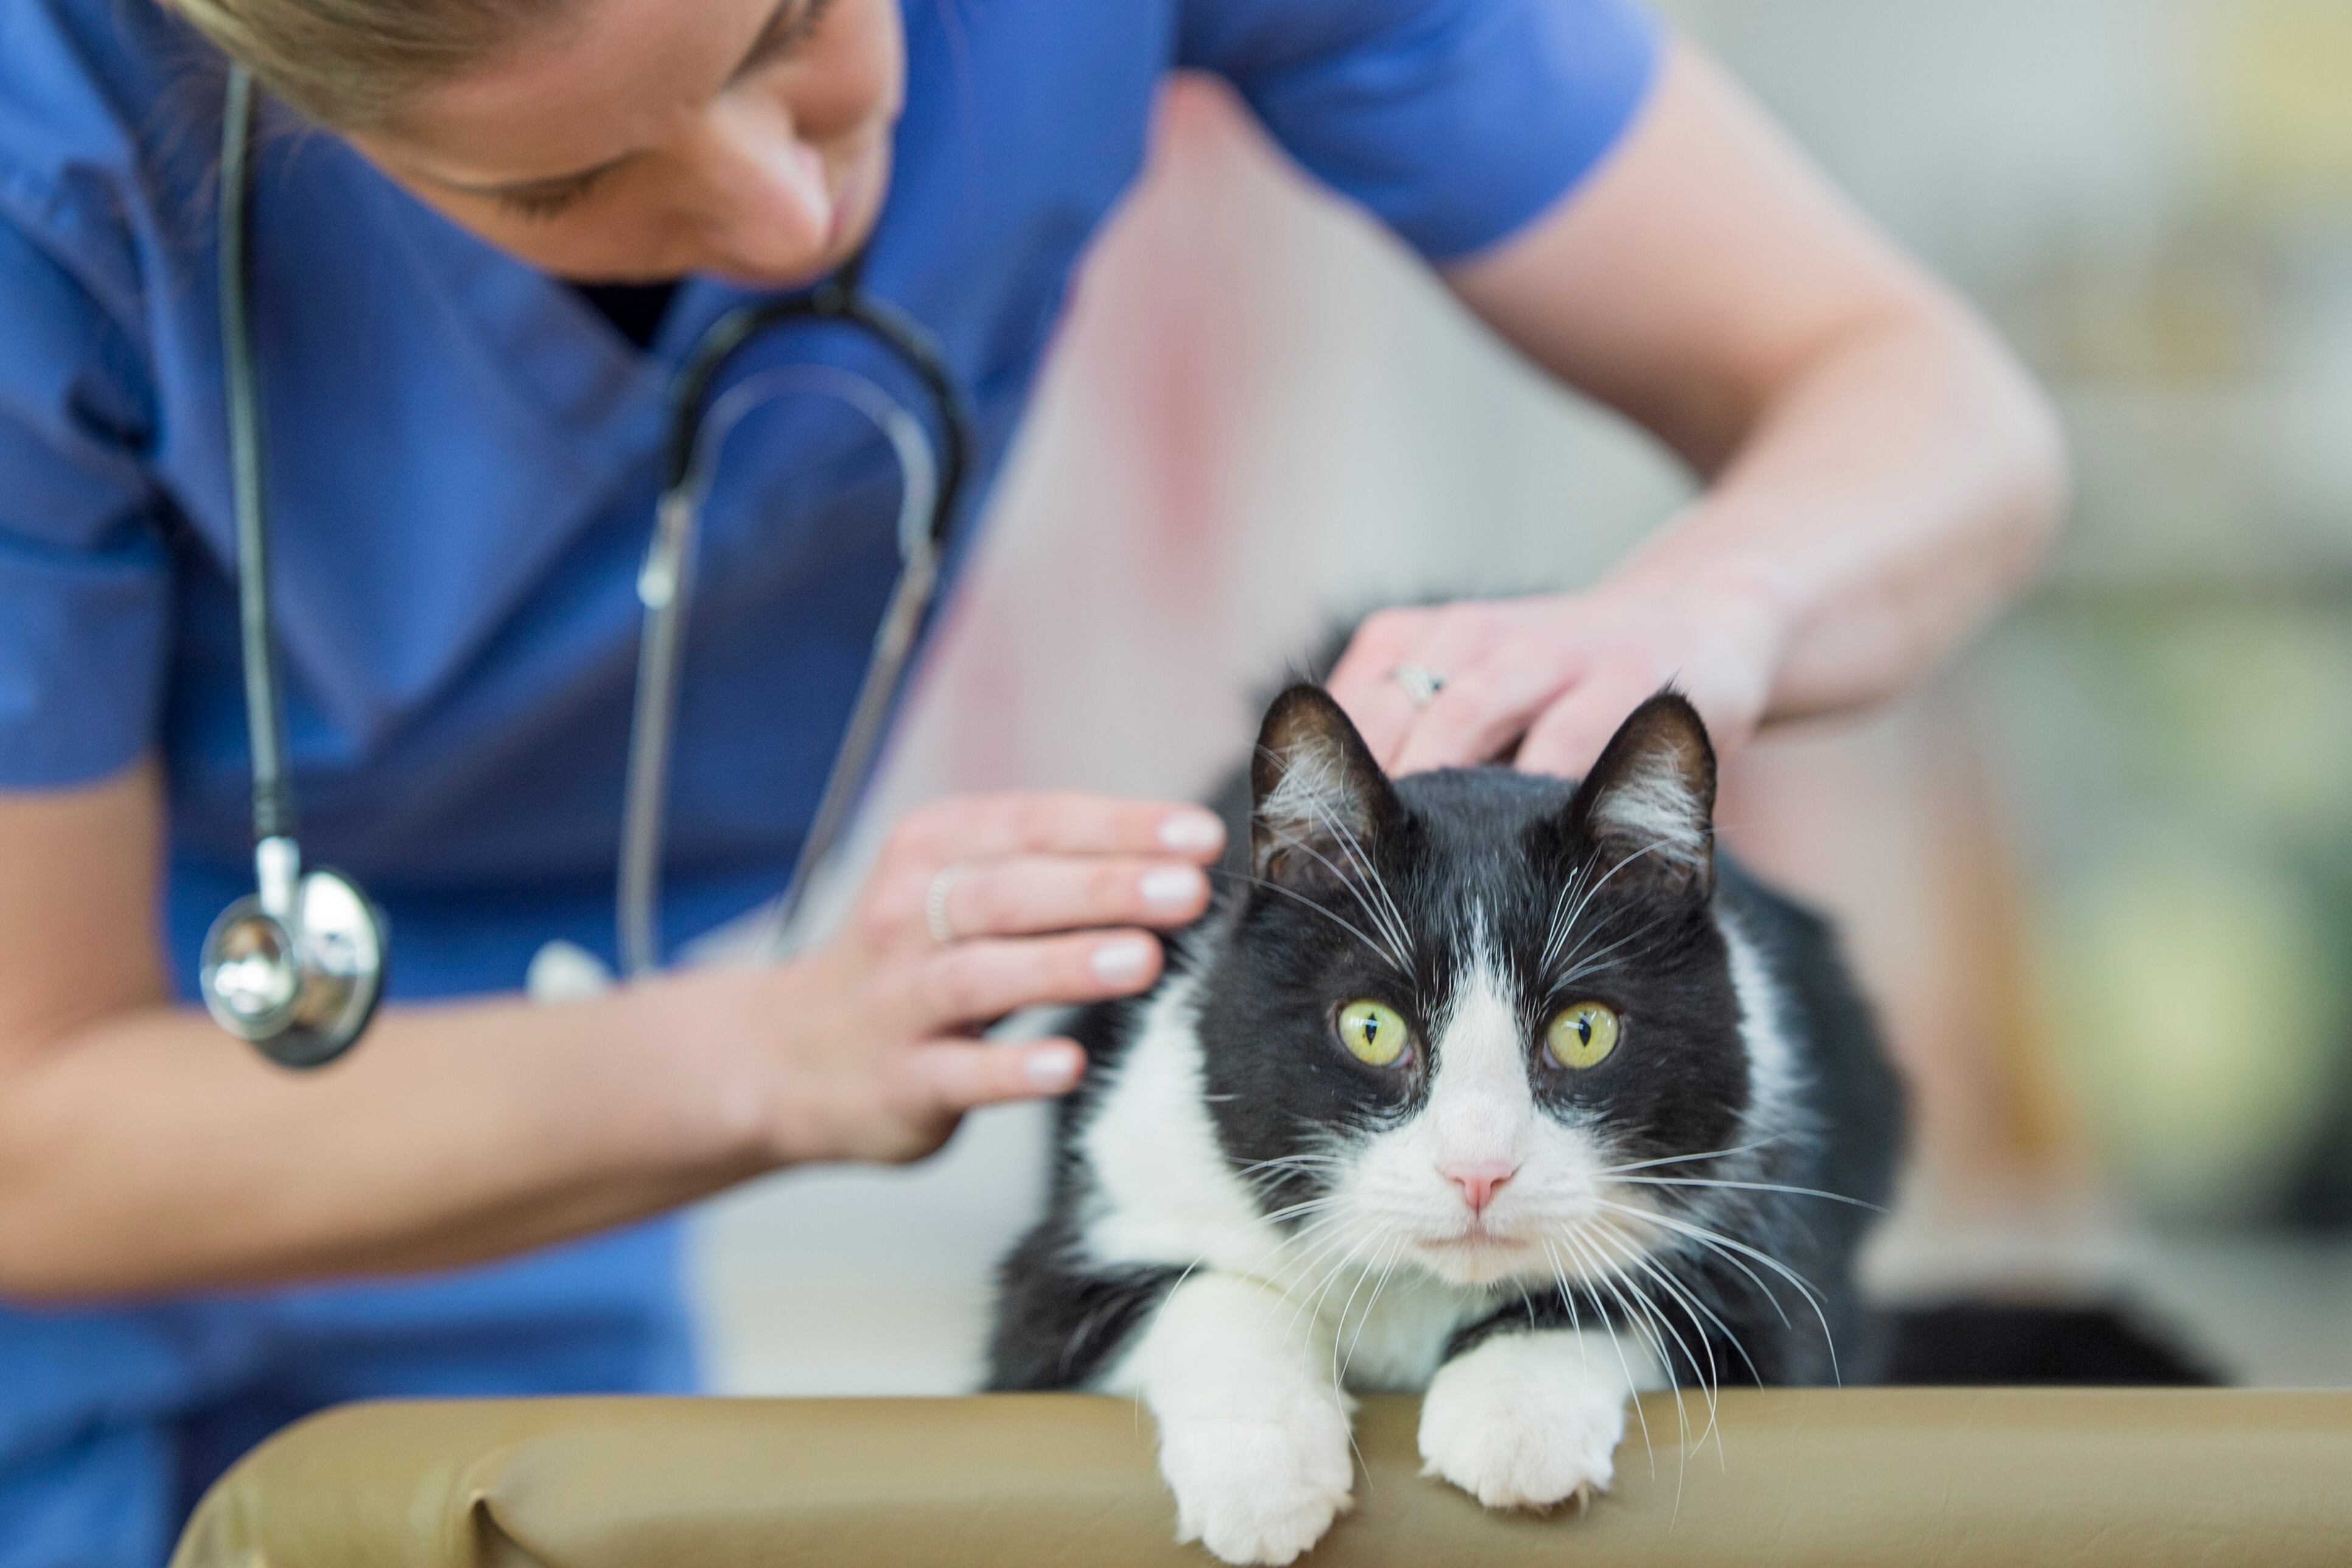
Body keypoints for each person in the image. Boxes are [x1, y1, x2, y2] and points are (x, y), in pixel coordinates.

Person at [0, 0, 2065, 1559]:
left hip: (538, 1266)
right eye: (562, 192)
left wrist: (1721, 609)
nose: (791, 214)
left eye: (797, 22)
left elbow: (1944, 415)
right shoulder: (45, 141)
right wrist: (772, 1062)